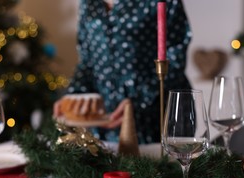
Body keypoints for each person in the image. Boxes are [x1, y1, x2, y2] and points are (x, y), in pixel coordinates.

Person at [53, 0, 191, 143]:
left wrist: (136, 100)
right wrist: (73, 97)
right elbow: (87, 61)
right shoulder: (88, 3)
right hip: (106, 120)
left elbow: (175, 59)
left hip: (156, 114)